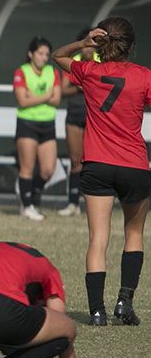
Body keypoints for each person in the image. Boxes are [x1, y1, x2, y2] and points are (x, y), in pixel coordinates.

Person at [52, 18, 151, 327]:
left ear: (101, 42)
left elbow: (58, 57)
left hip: (97, 164)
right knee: (133, 234)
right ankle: (124, 302)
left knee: (98, 239)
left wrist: (83, 44)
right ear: (131, 46)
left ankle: (97, 312)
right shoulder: (143, 76)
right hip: (134, 164)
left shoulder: (90, 71)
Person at [13, 37, 61, 221]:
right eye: (40, 53)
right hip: (27, 123)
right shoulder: (22, 71)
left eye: (47, 54)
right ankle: (26, 206)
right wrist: (46, 95)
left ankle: (29, 196)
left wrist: (35, 97)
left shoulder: (52, 72)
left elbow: (56, 99)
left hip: (47, 124)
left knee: (48, 170)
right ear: (31, 54)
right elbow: (22, 101)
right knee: (27, 167)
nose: (44, 57)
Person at [58, 28, 97, 218]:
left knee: (90, 161)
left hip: (92, 117)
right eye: (86, 45)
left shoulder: (99, 63)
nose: (89, 50)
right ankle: (72, 203)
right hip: (74, 115)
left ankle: (91, 202)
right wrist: (80, 86)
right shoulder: (73, 64)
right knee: (75, 161)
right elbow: (62, 91)